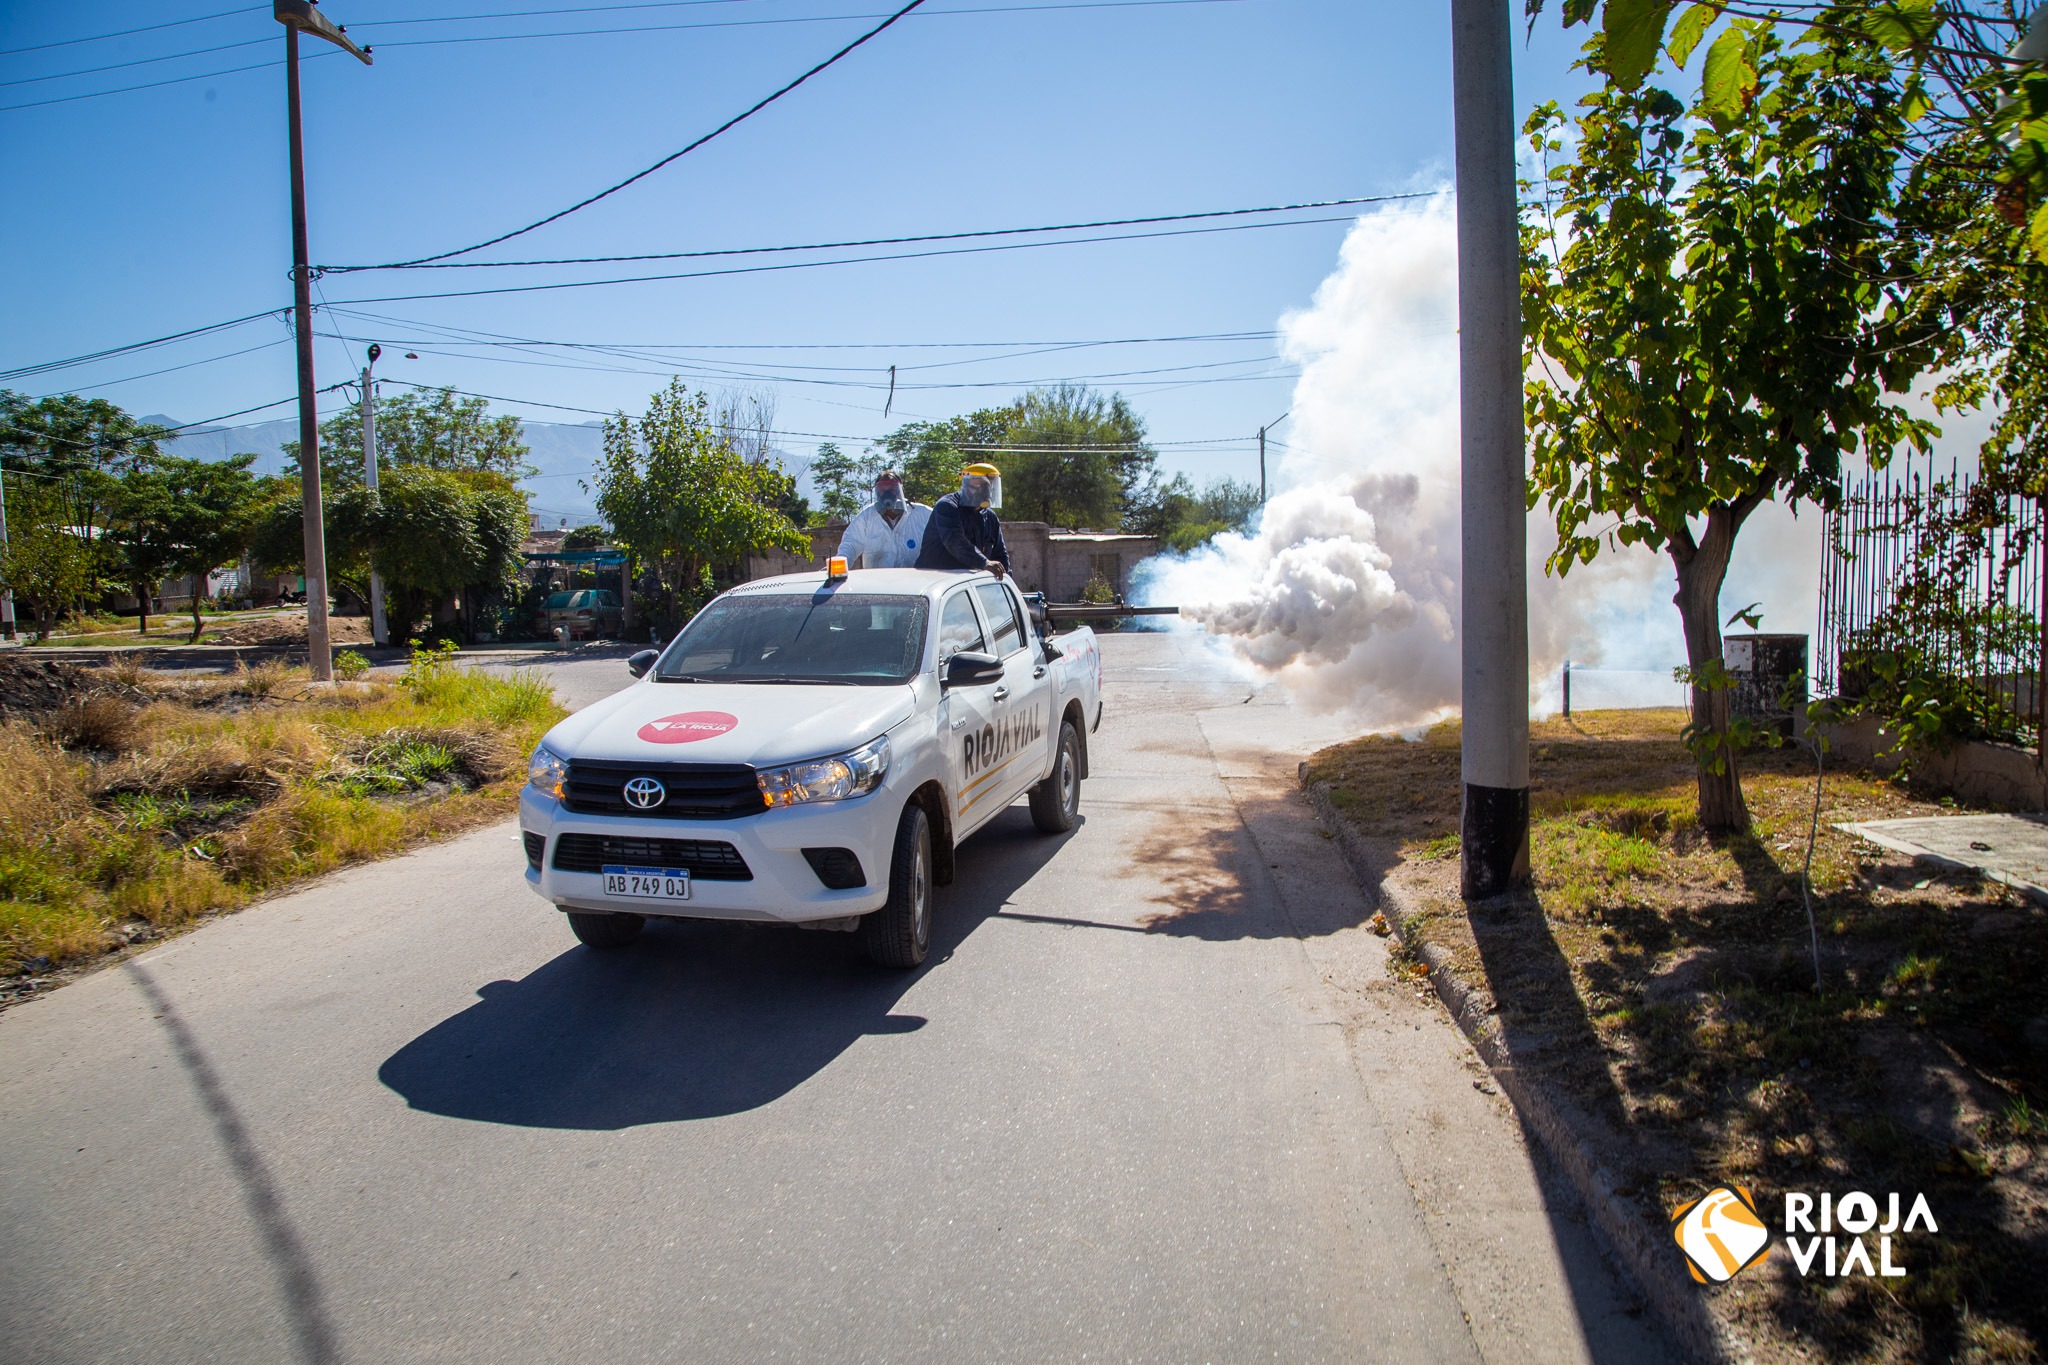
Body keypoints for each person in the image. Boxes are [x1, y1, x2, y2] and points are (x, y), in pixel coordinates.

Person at [914, 463, 1010, 577]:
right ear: (965, 485)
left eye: (989, 485)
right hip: (934, 578)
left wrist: (1007, 579)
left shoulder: (990, 517)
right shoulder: (947, 506)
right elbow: (955, 541)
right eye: (979, 485)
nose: (985, 491)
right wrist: (984, 562)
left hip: (966, 582)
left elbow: (1000, 554)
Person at [836, 470, 931, 569]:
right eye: (882, 490)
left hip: (914, 578)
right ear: (877, 492)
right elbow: (850, 545)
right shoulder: (866, 517)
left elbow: (940, 537)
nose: (887, 494)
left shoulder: (923, 514)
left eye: (892, 489)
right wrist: (839, 567)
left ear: (901, 490)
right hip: (876, 579)